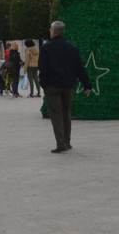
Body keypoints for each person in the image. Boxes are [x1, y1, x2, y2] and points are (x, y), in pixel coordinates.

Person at [38, 21, 92, 154]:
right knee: (66, 114)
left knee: (56, 115)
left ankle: (60, 143)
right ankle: (67, 141)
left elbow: (43, 68)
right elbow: (80, 68)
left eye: (50, 29)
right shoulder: (72, 48)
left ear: (54, 32)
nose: (50, 31)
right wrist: (87, 85)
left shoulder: (46, 48)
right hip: (68, 86)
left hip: (52, 86)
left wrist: (43, 84)